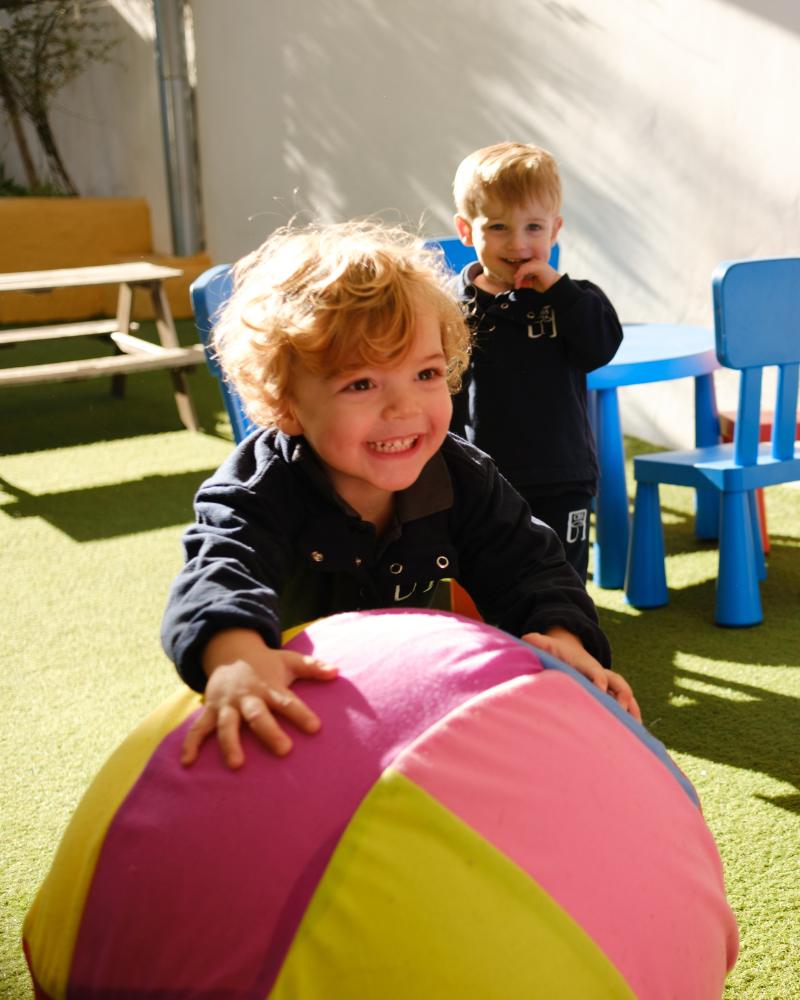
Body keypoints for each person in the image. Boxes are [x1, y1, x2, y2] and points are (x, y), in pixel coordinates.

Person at [161, 219, 639, 769]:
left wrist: (563, 638)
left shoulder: (461, 475)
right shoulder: (259, 488)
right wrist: (237, 657)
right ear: (285, 403)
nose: (404, 408)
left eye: (426, 374)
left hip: (410, 713)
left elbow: (532, 566)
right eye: (361, 384)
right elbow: (218, 570)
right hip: (294, 717)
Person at [450, 141, 623, 582]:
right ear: (467, 231)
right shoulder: (452, 308)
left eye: (533, 227)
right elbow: (441, 390)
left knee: (563, 580)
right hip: (485, 482)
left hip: (563, 477)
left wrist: (559, 291)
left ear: (555, 229)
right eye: (499, 228)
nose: (518, 244)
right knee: (491, 582)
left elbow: (601, 347)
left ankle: (567, 650)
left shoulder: (573, 299)